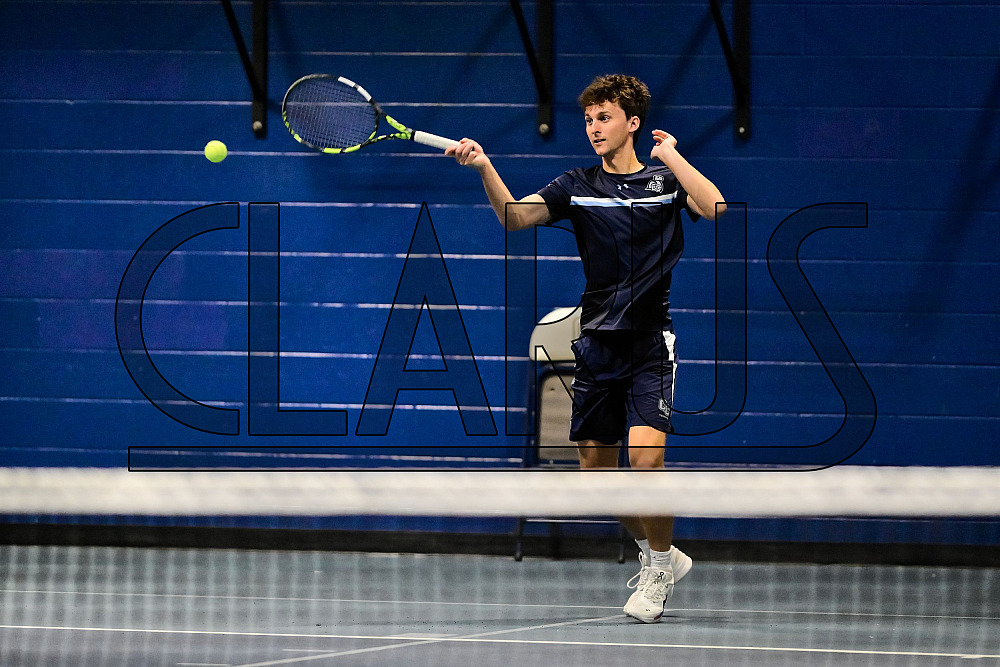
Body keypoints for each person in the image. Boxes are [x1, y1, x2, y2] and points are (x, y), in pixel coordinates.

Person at [446, 74, 726, 623]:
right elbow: (514, 217)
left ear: (633, 123)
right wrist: (484, 167)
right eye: (589, 119)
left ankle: (657, 571)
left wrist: (671, 155)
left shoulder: (664, 182)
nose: (594, 128)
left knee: (646, 460)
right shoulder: (576, 184)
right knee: (595, 479)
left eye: (605, 118)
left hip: (650, 344)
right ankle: (661, 552)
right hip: (597, 345)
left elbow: (714, 207)